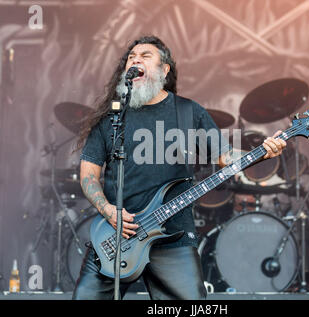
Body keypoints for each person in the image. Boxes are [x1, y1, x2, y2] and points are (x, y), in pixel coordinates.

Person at [73, 35, 286, 300]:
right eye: (131, 57)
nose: (136, 59)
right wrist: (109, 210)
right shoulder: (112, 117)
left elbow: (225, 157)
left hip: (173, 239)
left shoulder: (187, 112)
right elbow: (88, 174)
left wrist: (263, 153)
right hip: (116, 236)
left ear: (165, 70)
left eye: (145, 56)